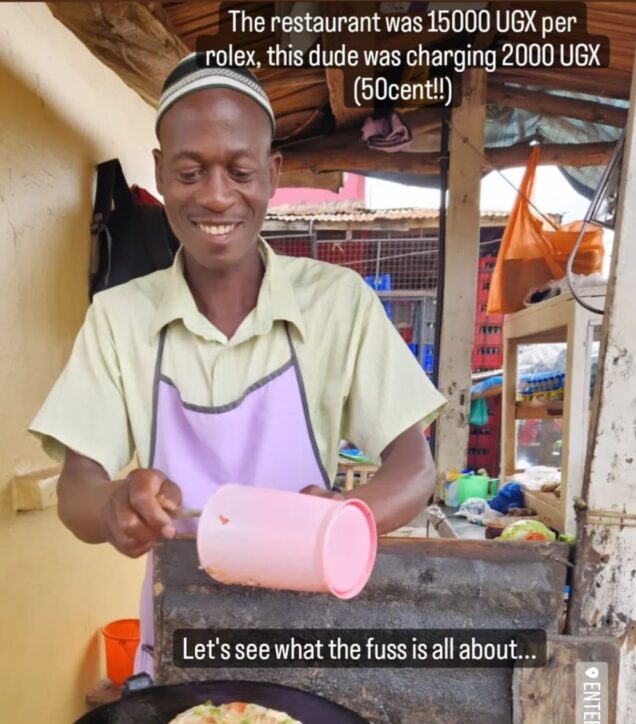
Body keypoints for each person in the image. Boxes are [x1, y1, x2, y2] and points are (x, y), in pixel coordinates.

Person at [30, 55, 445, 675]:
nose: (217, 196)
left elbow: (414, 469)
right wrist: (116, 504)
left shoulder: (338, 304)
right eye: (190, 172)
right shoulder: (118, 319)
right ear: (160, 174)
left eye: (240, 170)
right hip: (177, 646)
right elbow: (75, 491)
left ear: (273, 173)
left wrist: (342, 516)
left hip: (307, 647)